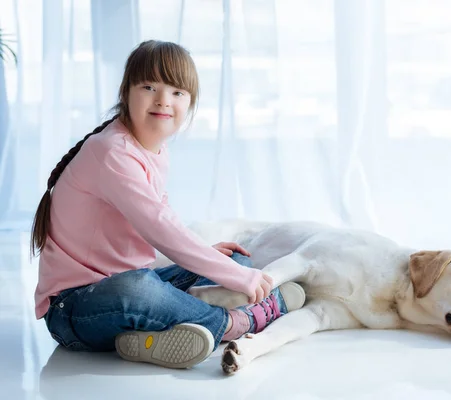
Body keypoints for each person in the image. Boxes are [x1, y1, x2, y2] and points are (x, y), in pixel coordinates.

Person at [31, 40, 305, 369]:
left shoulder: (154, 152)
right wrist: (234, 278)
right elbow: (161, 229)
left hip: (134, 283)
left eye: (177, 92)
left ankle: (159, 333)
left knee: (231, 256)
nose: (163, 100)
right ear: (126, 93)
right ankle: (234, 323)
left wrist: (207, 260)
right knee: (140, 288)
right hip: (75, 310)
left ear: (189, 103)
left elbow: (164, 226)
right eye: (149, 87)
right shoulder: (111, 152)